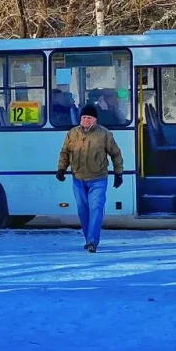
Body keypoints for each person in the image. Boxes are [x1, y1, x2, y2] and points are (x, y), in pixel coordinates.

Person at [56, 104, 124, 253]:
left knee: (96, 208)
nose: (86, 120)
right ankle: (88, 239)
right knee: (82, 210)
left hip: (98, 178)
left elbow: (116, 154)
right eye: (84, 117)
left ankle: (93, 241)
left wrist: (118, 173)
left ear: (95, 119)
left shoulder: (104, 134)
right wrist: (62, 169)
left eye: (89, 118)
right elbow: (65, 152)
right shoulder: (72, 134)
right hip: (78, 178)